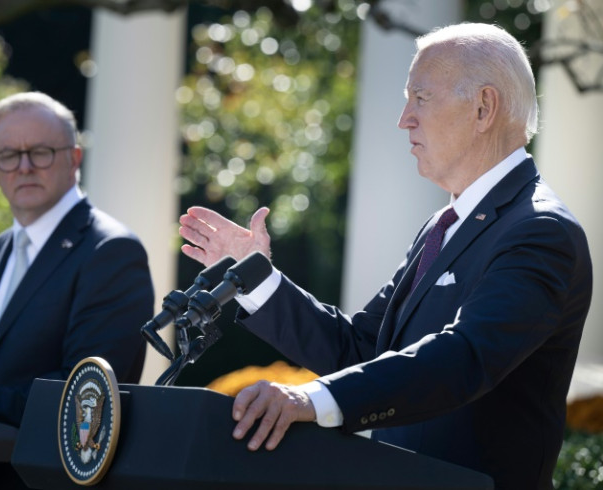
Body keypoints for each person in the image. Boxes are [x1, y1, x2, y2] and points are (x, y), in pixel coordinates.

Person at [178, 23, 592, 490]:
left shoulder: (540, 231)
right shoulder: (442, 228)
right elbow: (359, 351)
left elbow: (464, 357)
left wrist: (309, 400)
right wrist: (258, 278)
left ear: (484, 107)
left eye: (421, 97)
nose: (404, 118)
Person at [0, 91, 155, 488]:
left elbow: (86, 395)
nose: (23, 167)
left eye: (40, 152)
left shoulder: (110, 251)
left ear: (74, 158)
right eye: (8, 155)